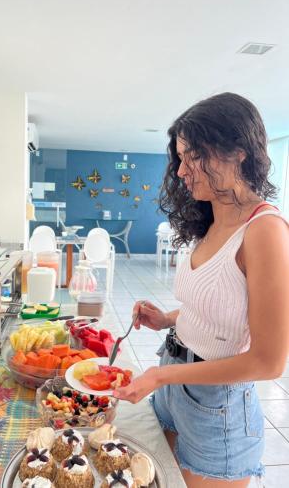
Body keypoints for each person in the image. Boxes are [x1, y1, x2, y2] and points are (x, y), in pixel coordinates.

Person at [113, 92, 289, 487]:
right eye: (180, 158)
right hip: (177, 382)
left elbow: (268, 362)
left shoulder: (265, 231)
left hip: (218, 407)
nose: (181, 171)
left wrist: (159, 377)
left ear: (238, 152)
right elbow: (221, 307)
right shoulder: (210, 221)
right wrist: (166, 320)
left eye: (193, 156)